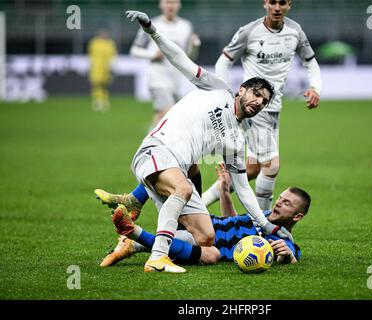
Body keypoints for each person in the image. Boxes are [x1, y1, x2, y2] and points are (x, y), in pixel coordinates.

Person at [104, 10, 292, 274]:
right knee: (185, 188)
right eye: (256, 94)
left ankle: (134, 237)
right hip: (157, 149)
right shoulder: (216, 88)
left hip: (175, 168)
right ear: (241, 90)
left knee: (206, 238)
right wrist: (152, 30)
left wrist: (268, 225)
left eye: (264, 101)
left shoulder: (238, 141)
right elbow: (181, 60)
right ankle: (157, 257)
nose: (258, 102)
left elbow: (244, 189)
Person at [201, 0, 322, 211]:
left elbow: (310, 61)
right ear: (265, 3)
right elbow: (224, 61)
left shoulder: (295, 31)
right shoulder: (250, 31)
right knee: (271, 166)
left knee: (253, 169)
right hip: (255, 108)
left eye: (282, 2)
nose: (277, 7)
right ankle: (263, 224)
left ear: (289, 5)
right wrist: (225, 94)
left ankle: (199, 204)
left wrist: (315, 87)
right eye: (272, 2)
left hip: (274, 107)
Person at [99, 163, 310, 267]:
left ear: (297, 216)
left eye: (287, 203)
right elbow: (231, 221)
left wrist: (289, 256)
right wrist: (225, 192)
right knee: (189, 168)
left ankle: (132, 236)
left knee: (213, 255)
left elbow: (291, 256)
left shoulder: (283, 240)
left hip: (204, 243)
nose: (279, 203)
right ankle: (133, 201)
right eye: (281, 198)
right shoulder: (261, 214)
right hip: (200, 221)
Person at [130, 0, 201, 129]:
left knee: (161, 117)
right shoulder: (151, 24)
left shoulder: (186, 26)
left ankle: (149, 146)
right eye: (167, 2)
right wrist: (152, 55)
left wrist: (195, 46)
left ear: (179, 5)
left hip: (175, 79)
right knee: (169, 114)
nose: (170, 5)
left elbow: (187, 57)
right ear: (161, 5)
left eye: (174, 2)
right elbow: (134, 50)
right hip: (158, 77)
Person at [87, 29, 117, 112]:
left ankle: (104, 100)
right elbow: (90, 54)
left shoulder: (110, 43)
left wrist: (112, 66)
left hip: (106, 67)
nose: (103, 35)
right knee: (96, 84)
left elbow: (113, 55)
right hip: (96, 67)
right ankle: (97, 101)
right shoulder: (94, 42)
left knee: (104, 85)